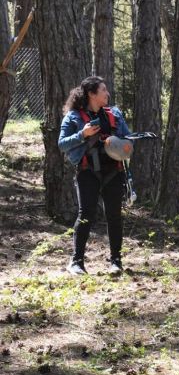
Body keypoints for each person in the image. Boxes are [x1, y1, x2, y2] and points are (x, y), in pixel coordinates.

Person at [58, 76, 131, 275]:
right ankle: (77, 262)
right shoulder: (73, 117)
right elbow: (62, 143)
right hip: (88, 172)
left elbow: (127, 139)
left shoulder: (114, 114)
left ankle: (116, 261)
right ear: (91, 94)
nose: (107, 94)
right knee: (86, 214)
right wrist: (83, 134)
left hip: (113, 172)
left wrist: (121, 144)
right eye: (103, 90)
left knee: (114, 215)